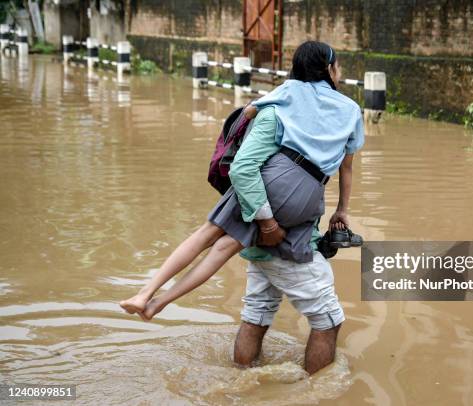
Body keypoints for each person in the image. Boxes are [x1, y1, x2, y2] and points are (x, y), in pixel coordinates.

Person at [119, 43, 364, 373]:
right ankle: (317, 391)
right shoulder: (349, 109)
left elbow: (251, 117)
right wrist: (342, 210)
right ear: (329, 68)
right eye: (339, 66)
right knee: (324, 318)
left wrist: (249, 112)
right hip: (303, 193)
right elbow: (346, 167)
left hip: (268, 179)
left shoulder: (286, 94)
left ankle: (149, 295)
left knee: (214, 240)